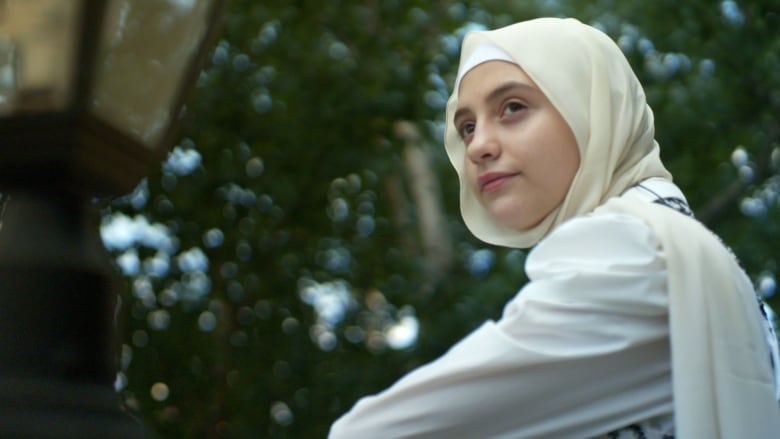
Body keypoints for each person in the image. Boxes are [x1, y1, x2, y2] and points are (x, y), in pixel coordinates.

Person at [329, 17, 780, 438]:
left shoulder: (632, 255)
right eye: (466, 127)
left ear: (594, 114)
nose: (478, 146)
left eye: (512, 107)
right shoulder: (688, 250)